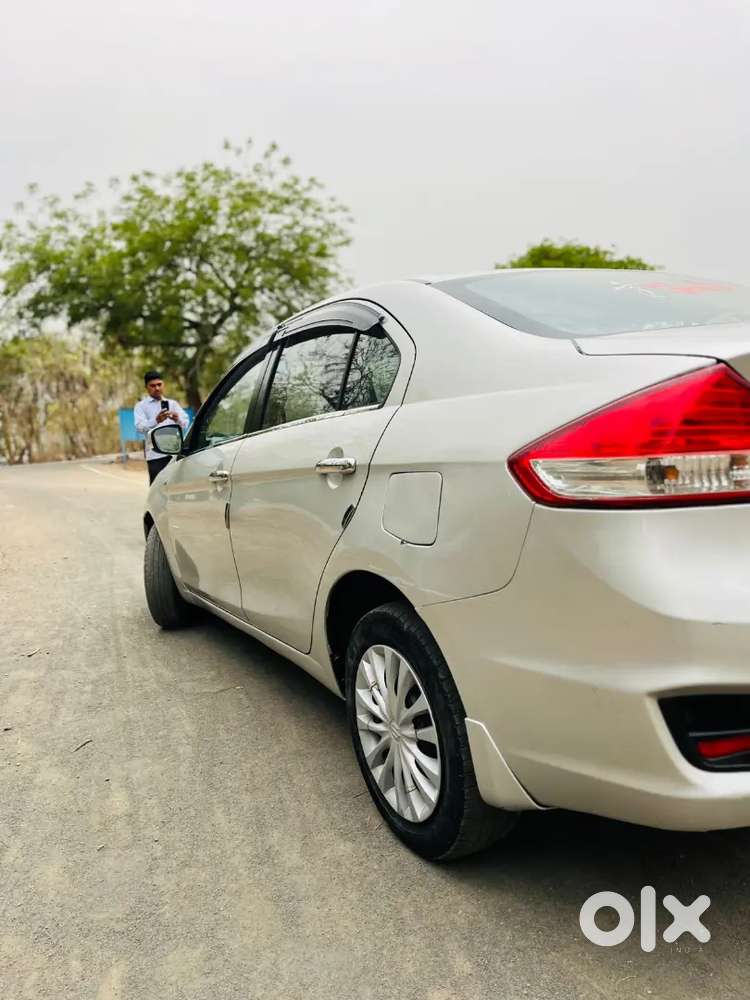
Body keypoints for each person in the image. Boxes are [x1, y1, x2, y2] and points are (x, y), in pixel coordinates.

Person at [134, 371, 189, 484]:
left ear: (163, 385)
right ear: (146, 387)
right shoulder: (141, 406)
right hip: (155, 455)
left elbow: (185, 423)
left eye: (159, 384)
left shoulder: (172, 404)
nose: (157, 388)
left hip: (174, 454)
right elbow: (139, 427)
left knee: (177, 488)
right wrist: (155, 421)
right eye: (153, 385)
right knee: (157, 489)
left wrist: (177, 419)